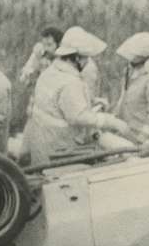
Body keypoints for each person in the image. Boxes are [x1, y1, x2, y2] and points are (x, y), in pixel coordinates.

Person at [23, 26, 133, 164]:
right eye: (85, 58)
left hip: (42, 144)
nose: (87, 62)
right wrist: (110, 121)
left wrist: (92, 102)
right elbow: (78, 116)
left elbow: (60, 106)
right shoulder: (70, 82)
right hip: (59, 149)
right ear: (75, 57)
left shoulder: (50, 72)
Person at [112, 32, 149, 141]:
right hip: (126, 129)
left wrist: (144, 136)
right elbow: (123, 96)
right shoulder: (129, 69)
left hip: (141, 133)